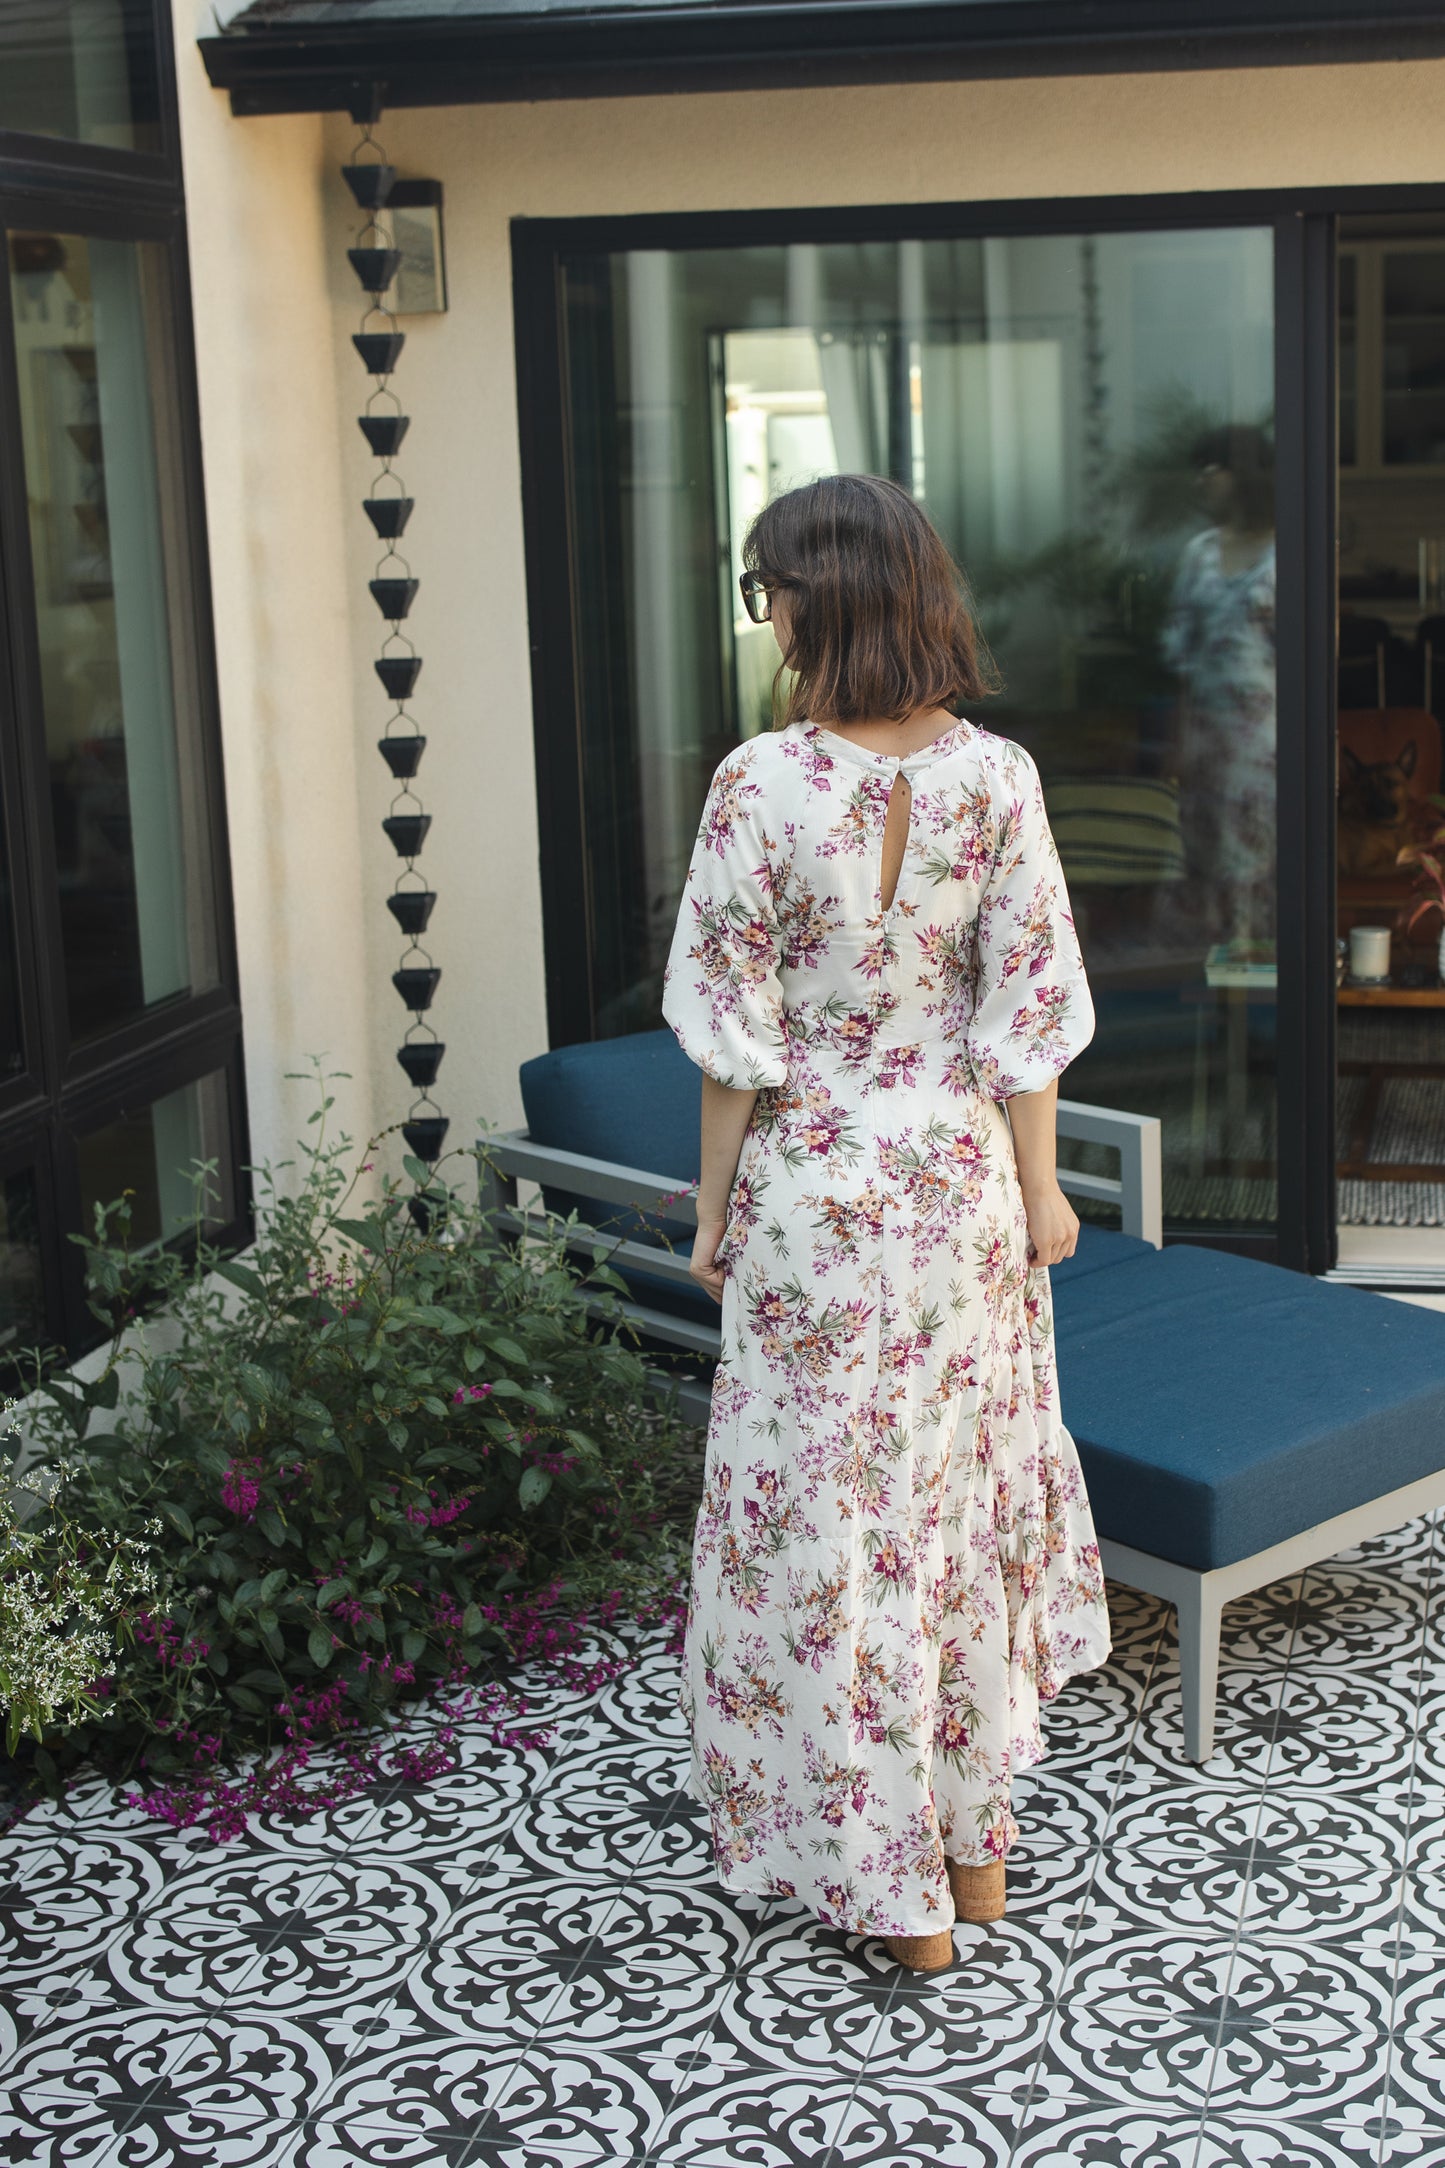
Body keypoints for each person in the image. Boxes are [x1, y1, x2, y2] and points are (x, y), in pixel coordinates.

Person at [660, 474, 1112, 1976]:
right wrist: (1041, 1191)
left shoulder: (756, 784)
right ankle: (973, 1853)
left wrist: (710, 1217)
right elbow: (1025, 1019)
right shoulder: (1002, 778)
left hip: (816, 1198)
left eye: (767, 586)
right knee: (954, 1517)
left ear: (817, 600)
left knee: (831, 1535)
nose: (766, 612)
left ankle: (897, 1891)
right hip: (960, 1192)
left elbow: (733, 1041)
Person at [1158, 424, 1277, 954]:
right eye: (1202, 467)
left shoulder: (1289, 550)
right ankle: (1214, 996)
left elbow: (1317, 655)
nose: (1205, 478)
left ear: (1247, 475)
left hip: (1265, 743)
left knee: (1257, 854)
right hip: (1206, 740)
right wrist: (1178, 744)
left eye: (1218, 466)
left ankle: (1266, 993)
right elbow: (1180, 660)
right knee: (1203, 856)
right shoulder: (1200, 553)